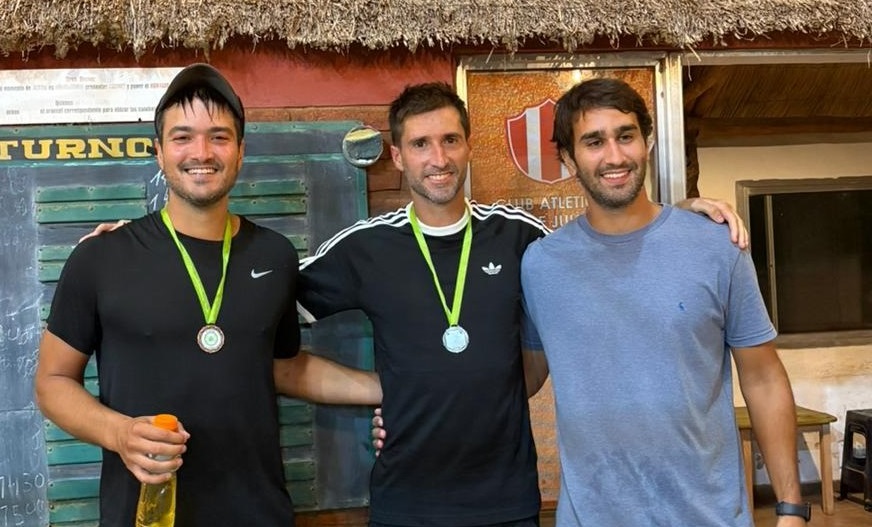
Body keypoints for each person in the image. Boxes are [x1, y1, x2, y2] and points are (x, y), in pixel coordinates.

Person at [299, 82, 748, 527]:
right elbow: (268, 324)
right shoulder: (364, 248)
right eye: (420, 144)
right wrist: (387, 390)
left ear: (468, 147)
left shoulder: (520, 237)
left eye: (450, 140)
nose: (438, 159)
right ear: (398, 157)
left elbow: (602, 248)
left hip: (507, 502)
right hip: (404, 504)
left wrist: (679, 216)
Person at [34, 63, 381, 527]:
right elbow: (52, 381)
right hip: (147, 514)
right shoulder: (102, 257)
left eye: (219, 137)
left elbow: (281, 366)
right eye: (183, 137)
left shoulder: (275, 255)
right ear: (159, 152)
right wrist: (119, 433)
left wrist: (392, 387)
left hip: (259, 513)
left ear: (240, 151)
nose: (201, 152)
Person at [519, 78, 807, 526]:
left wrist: (791, 508)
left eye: (626, 136)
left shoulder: (717, 246)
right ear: (568, 159)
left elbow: (764, 378)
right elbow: (527, 374)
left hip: (708, 516)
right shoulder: (542, 265)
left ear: (648, 143)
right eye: (594, 142)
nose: (615, 156)